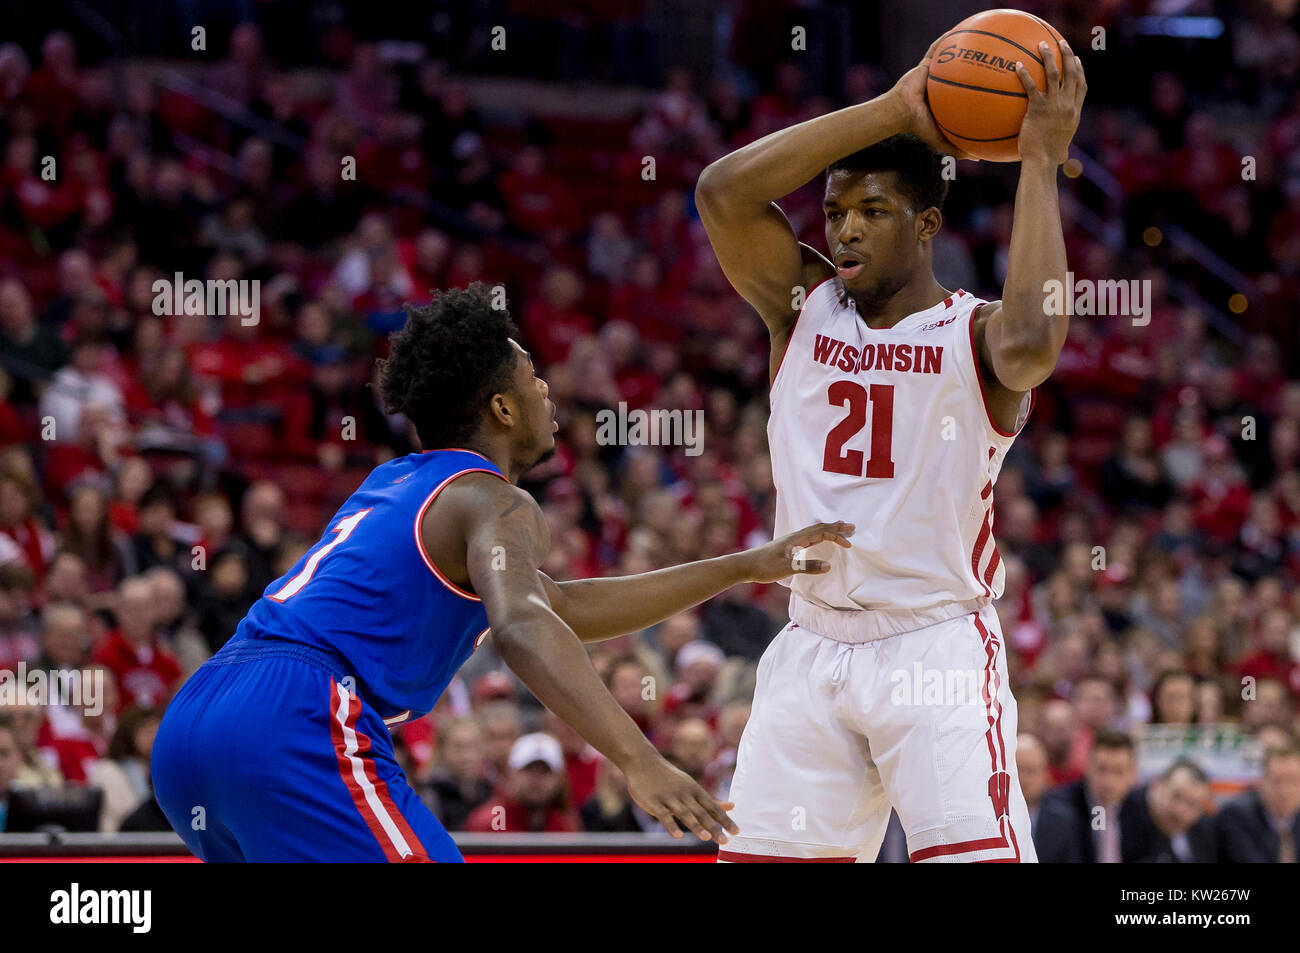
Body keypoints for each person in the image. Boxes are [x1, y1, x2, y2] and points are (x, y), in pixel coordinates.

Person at [151, 284, 853, 862]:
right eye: (536, 379)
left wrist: (744, 564)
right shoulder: (497, 499)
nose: (551, 393)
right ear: (504, 408)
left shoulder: (402, 482)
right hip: (294, 714)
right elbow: (522, 627)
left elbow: (560, 605)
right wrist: (636, 756)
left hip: (201, 716)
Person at [696, 35, 1086, 861]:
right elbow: (722, 193)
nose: (845, 231)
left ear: (927, 223)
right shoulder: (802, 306)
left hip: (933, 642)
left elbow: (1039, 338)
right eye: (835, 213)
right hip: (810, 640)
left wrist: (1039, 161)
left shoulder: (975, 335)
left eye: (873, 212)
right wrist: (895, 110)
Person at [1034, 730, 1139, 863]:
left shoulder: (1140, 808)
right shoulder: (1059, 807)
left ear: (1133, 773)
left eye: (1118, 772)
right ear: (1088, 766)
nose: (1108, 782)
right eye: (1102, 769)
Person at [1213, 742, 1300, 862]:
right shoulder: (1237, 815)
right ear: (1261, 781)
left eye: (1293, 781)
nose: (1284, 791)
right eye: (1277, 781)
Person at [1121, 757, 1215, 863]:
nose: (1180, 811)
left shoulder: (1204, 831)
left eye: (1191, 805)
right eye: (1176, 796)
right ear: (1157, 785)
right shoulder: (1123, 813)